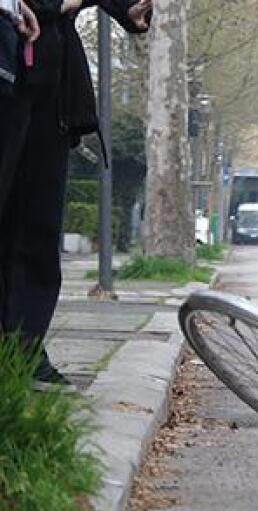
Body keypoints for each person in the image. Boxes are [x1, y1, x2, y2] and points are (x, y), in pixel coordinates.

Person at [0, 0, 151, 389]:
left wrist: (127, 9)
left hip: (47, 85)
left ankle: (23, 351)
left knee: (37, 227)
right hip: (9, 68)